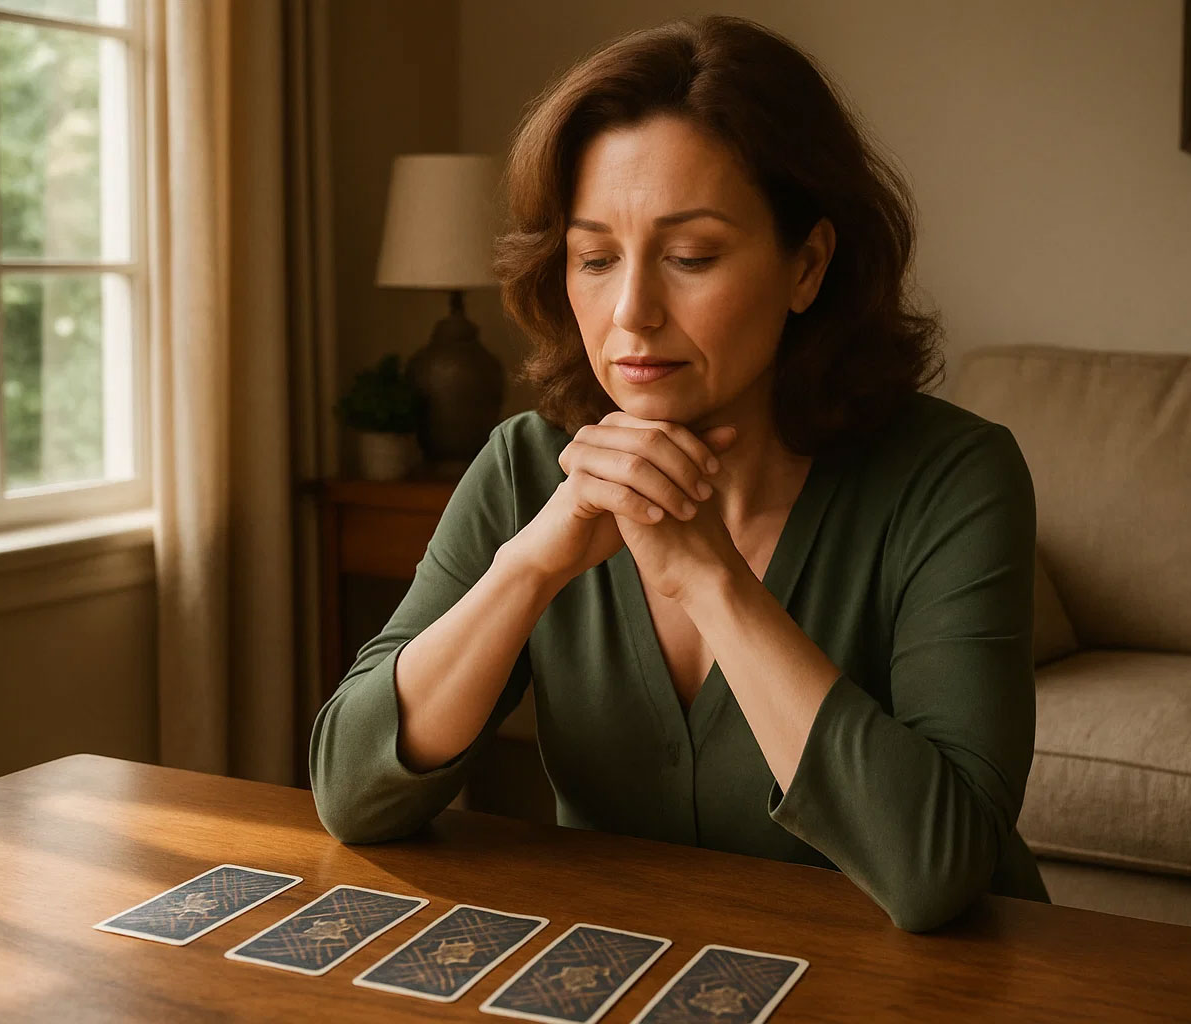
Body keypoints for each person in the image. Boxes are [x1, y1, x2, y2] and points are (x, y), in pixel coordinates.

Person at [310, 14, 1050, 933]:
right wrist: (533, 563)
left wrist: (709, 580)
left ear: (807, 264)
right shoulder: (525, 466)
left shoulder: (955, 478)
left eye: (691, 256)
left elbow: (938, 871)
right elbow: (352, 794)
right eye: (594, 258)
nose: (632, 311)